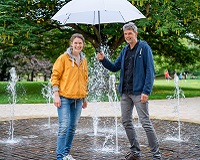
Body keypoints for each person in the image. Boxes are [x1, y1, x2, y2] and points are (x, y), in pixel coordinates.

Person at [97, 22, 161, 160]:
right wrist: (103, 60)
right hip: (125, 92)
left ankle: (156, 155)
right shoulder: (125, 50)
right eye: (125, 34)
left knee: (145, 122)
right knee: (126, 121)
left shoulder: (144, 48)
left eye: (130, 33)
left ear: (135, 33)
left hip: (139, 92)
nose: (127, 36)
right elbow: (115, 67)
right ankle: (135, 151)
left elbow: (150, 71)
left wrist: (146, 91)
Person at [51, 33, 88, 160]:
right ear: (71, 44)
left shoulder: (84, 60)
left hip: (78, 100)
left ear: (83, 44)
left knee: (72, 128)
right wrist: (56, 95)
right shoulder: (63, 58)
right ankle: (60, 157)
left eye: (80, 43)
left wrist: (84, 97)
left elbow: (84, 79)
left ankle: (66, 154)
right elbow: (55, 76)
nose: (78, 45)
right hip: (64, 98)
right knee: (64, 127)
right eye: (75, 42)